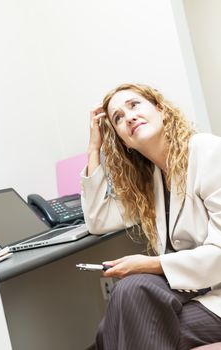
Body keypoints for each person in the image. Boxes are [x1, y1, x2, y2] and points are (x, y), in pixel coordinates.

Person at [80, 83, 221, 350]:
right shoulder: (151, 181)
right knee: (131, 292)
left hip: (216, 293)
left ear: (162, 111)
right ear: (124, 141)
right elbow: (98, 221)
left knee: (119, 328)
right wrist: (93, 148)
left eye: (134, 105)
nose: (129, 116)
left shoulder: (208, 152)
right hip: (191, 289)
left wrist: (149, 264)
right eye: (118, 118)